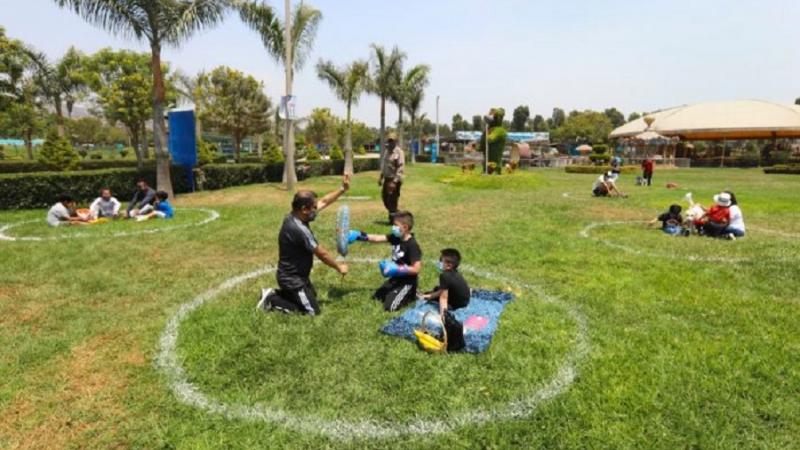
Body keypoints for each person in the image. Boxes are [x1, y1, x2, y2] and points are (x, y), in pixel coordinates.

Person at [257, 175, 351, 315]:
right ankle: (271, 298)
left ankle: (280, 294)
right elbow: (322, 254)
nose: (316, 210)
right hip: (292, 280)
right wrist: (338, 267)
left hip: (299, 277)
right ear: (304, 209)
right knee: (312, 312)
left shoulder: (296, 216)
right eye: (314, 207)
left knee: (311, 297)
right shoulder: (299, 229)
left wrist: (342, 189)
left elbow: (324, 201)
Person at [349, 210, 422, 312]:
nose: (393, 228)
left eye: (395, 225)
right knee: (377, 297)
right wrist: (358, 236)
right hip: (396, 278)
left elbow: (416, 269)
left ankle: (411, 294)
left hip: (407, 282)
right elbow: (377, 238)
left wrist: (397, 269)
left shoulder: (412, 245)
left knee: (390, 307)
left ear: (405, 227)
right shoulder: (396, 237)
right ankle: (402, 293)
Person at [421, 248, 471, 315]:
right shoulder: (454, 272)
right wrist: (429, 296)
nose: (439, 262)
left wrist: (443, 316)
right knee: (435, 290)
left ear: (449, 265)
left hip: (457, 305)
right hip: (465, 300)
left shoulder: (445, 275)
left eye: (441, 261)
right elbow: (442, 291)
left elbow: (443, 298)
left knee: (433, 294)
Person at [379, 132, 405, 224]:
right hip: (387, 179)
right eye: (389, 140)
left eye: (392, 141)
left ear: (395, 141)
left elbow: (400, 168)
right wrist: (381, 177)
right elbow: (384, 166)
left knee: (392, 200)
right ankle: (399, 215)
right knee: (385, 199)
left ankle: (393, 219)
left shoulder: (399, 152)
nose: (390, 142)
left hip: (394, 180)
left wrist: (394, 182)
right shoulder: (387, 151)